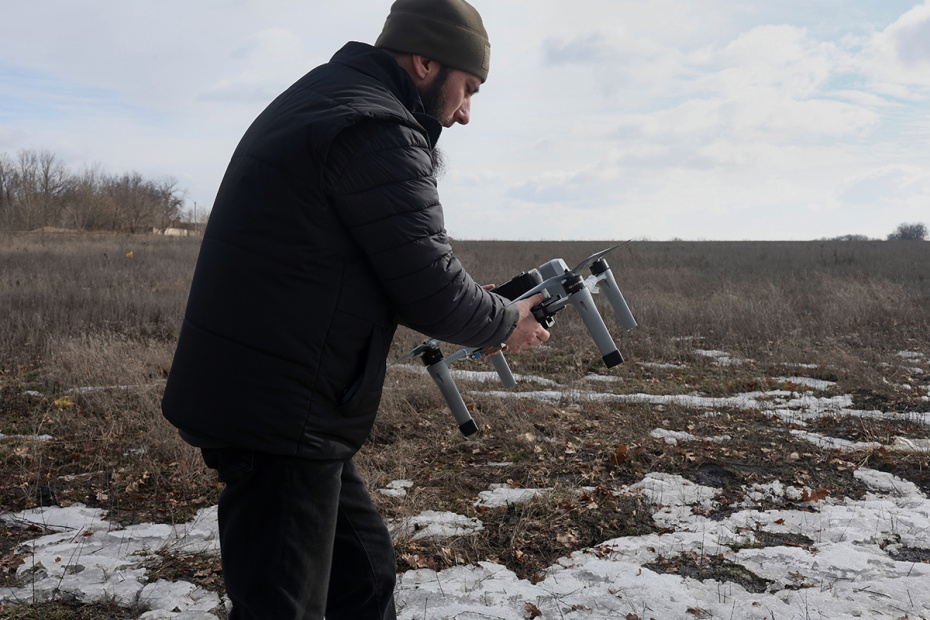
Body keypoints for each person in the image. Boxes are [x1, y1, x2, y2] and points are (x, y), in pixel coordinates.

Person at [160, 1, 550, 618]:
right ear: (425, 62)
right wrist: (507, 321)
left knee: (361, 582)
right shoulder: (376, 127)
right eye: (469, 88)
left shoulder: (330, 99)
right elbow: (430, 287)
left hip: (281, 405)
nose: (466, 113)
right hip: (280, 415)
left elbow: (381, 265)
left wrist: (485, 305)